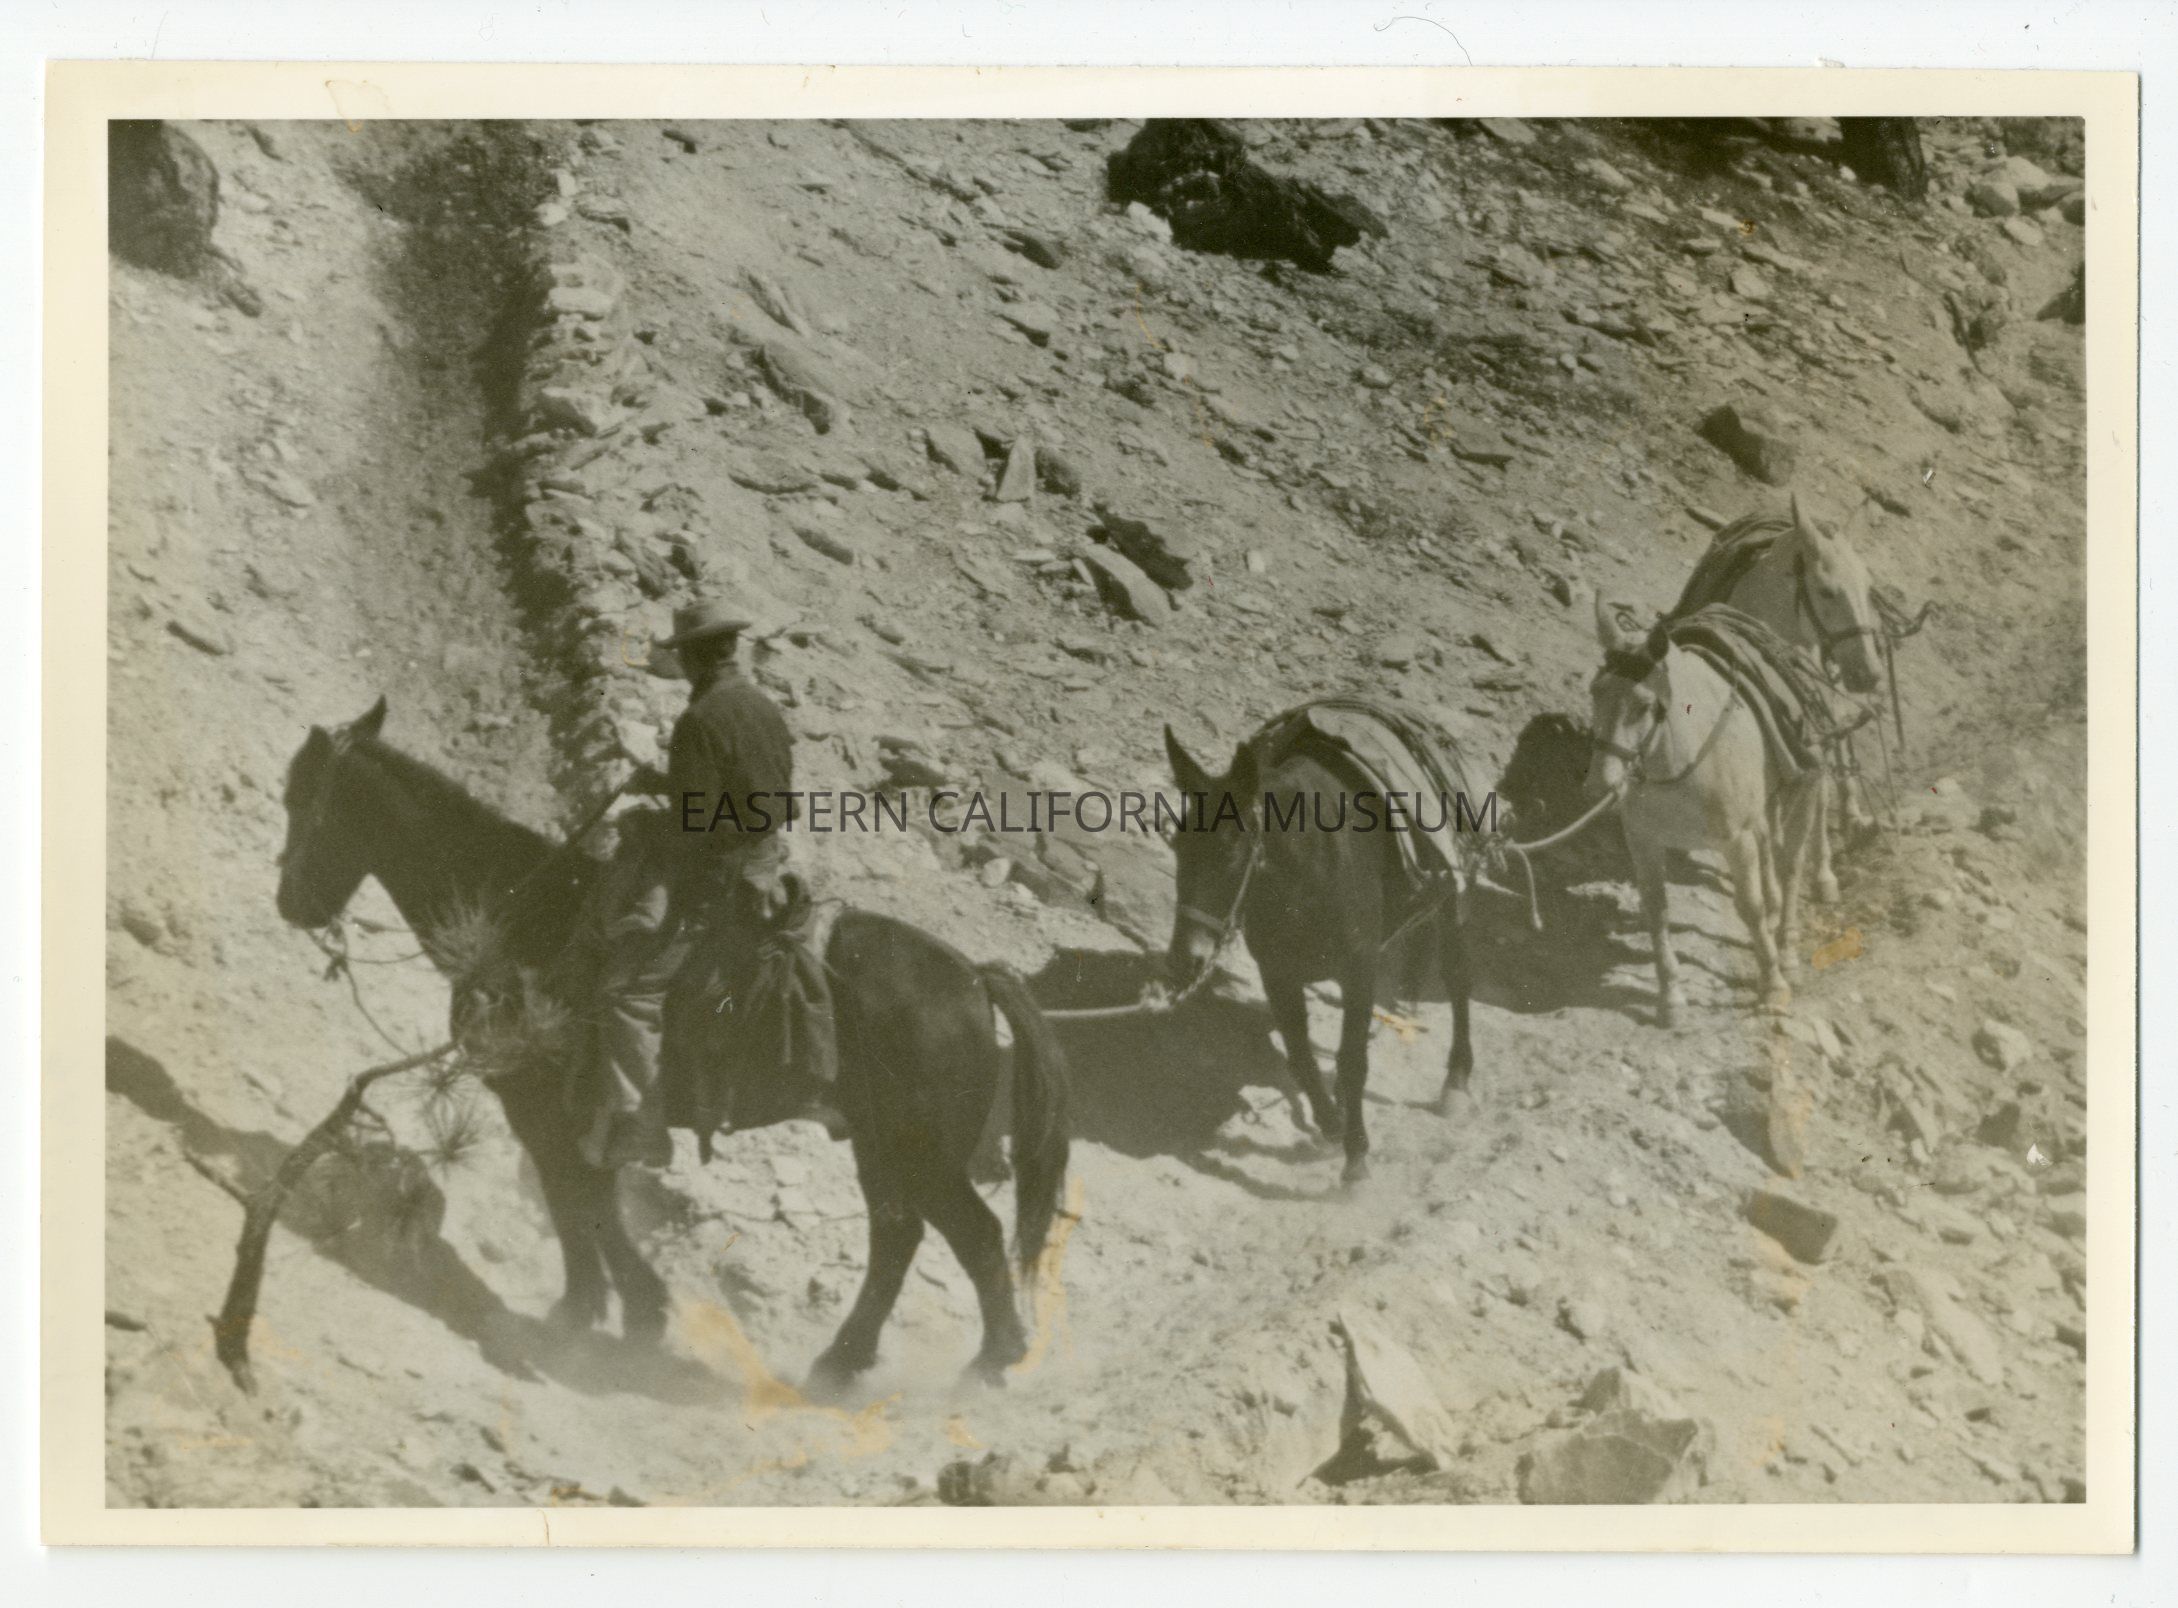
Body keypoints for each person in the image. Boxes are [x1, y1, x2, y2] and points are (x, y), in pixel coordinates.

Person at [581, 598, 835, 1170]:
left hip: (721, 880)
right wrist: (665, 784)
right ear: (731, 650)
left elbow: (699, 829)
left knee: (628, 993)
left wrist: (648, 826)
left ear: (693, 658)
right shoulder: (761, 706)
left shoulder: (700, 720)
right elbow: (754, 796)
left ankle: (643, 1131)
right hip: (766, 859)